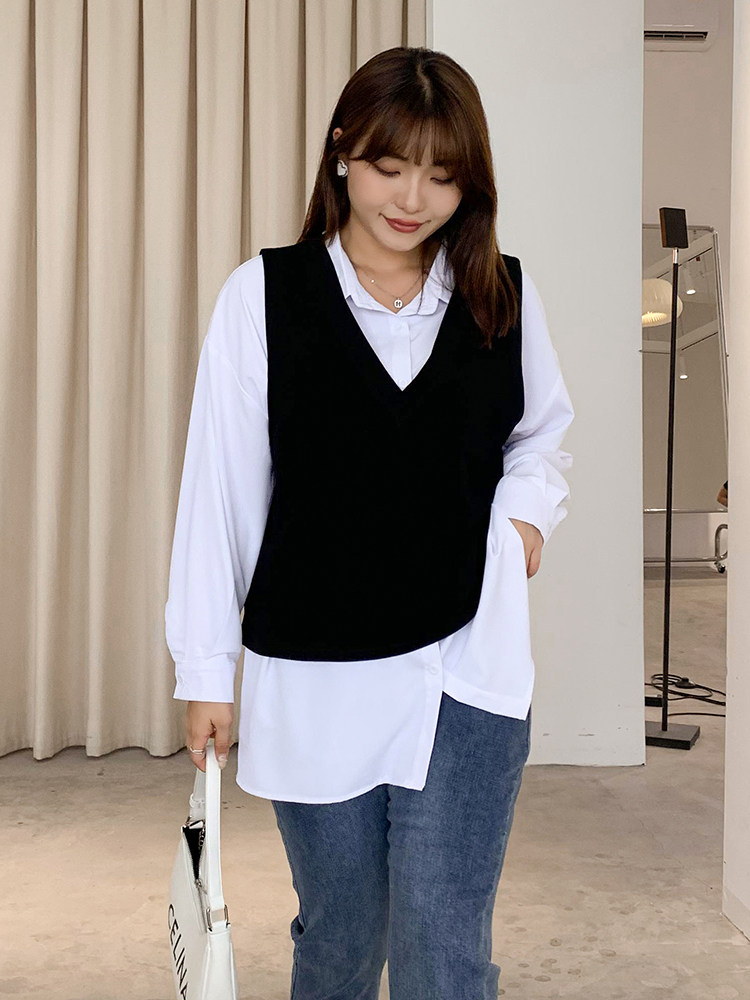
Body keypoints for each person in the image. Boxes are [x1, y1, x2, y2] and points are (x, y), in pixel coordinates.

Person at [165, 45, 574, 1000]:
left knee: (444, 950)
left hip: (468, 668)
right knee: (344, 935)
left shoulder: (502, 295)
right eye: (391, 166)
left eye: (442, 175)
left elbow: (542, 435)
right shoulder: (263, 298)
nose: (413, 198)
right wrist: (205, 670)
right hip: (316, 671)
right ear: (343, 152)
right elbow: (218, 493)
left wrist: (524, 520)